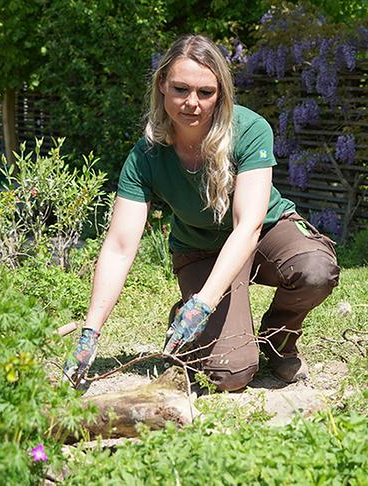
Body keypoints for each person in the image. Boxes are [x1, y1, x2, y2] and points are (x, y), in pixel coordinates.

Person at [63, 34, 340, 392]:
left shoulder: (250, 129)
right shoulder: (145, 156)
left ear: (220, 93)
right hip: (201, 249)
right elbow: (119, 246)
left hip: (263, 235)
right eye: (180, 89)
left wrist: (203, 305)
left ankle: (278, 339)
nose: (191, 103)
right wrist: (90, 333)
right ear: (162, 85)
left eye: (205, 93)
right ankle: (190, 318)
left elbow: (248, 226)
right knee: (230, 374)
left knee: (315, 269)